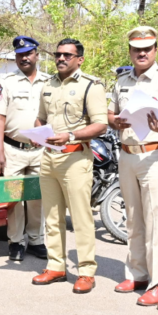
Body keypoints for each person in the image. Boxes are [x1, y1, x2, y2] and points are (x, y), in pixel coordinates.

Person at [107, 26, 158, 306]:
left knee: (155, 221)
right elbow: (111, 111)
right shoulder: (122, 80)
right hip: (128, 154)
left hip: (155, 154)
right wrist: (114, 120)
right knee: (133, 218)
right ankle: (137, 273)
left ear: (155, 50)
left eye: (147, 48)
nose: (141, 53)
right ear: (129, 50)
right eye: (136, 48)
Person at [31, 39, 108, 294]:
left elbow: (100, 125)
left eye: (67, 55)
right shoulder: (48, 84)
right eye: (58, 54)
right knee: (52, 216)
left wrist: (72, 135)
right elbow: (41, 116)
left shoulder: (91, 86)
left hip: (75, 158)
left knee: (81, 217)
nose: (61, 58)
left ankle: (86, 271)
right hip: (49, 157)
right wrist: (36, 131)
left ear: (79, 59)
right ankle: (56, 266)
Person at [0, 36, 51, 261]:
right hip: (13, 150)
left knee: (37, 198)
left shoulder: (49, 82)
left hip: (40, 151)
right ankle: (15, 242)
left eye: (28, 53)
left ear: (37, 55)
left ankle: (36, 240)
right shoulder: (7, 82)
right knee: (14, 198)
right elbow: (0, 117)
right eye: (19, 54)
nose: (24, 58)